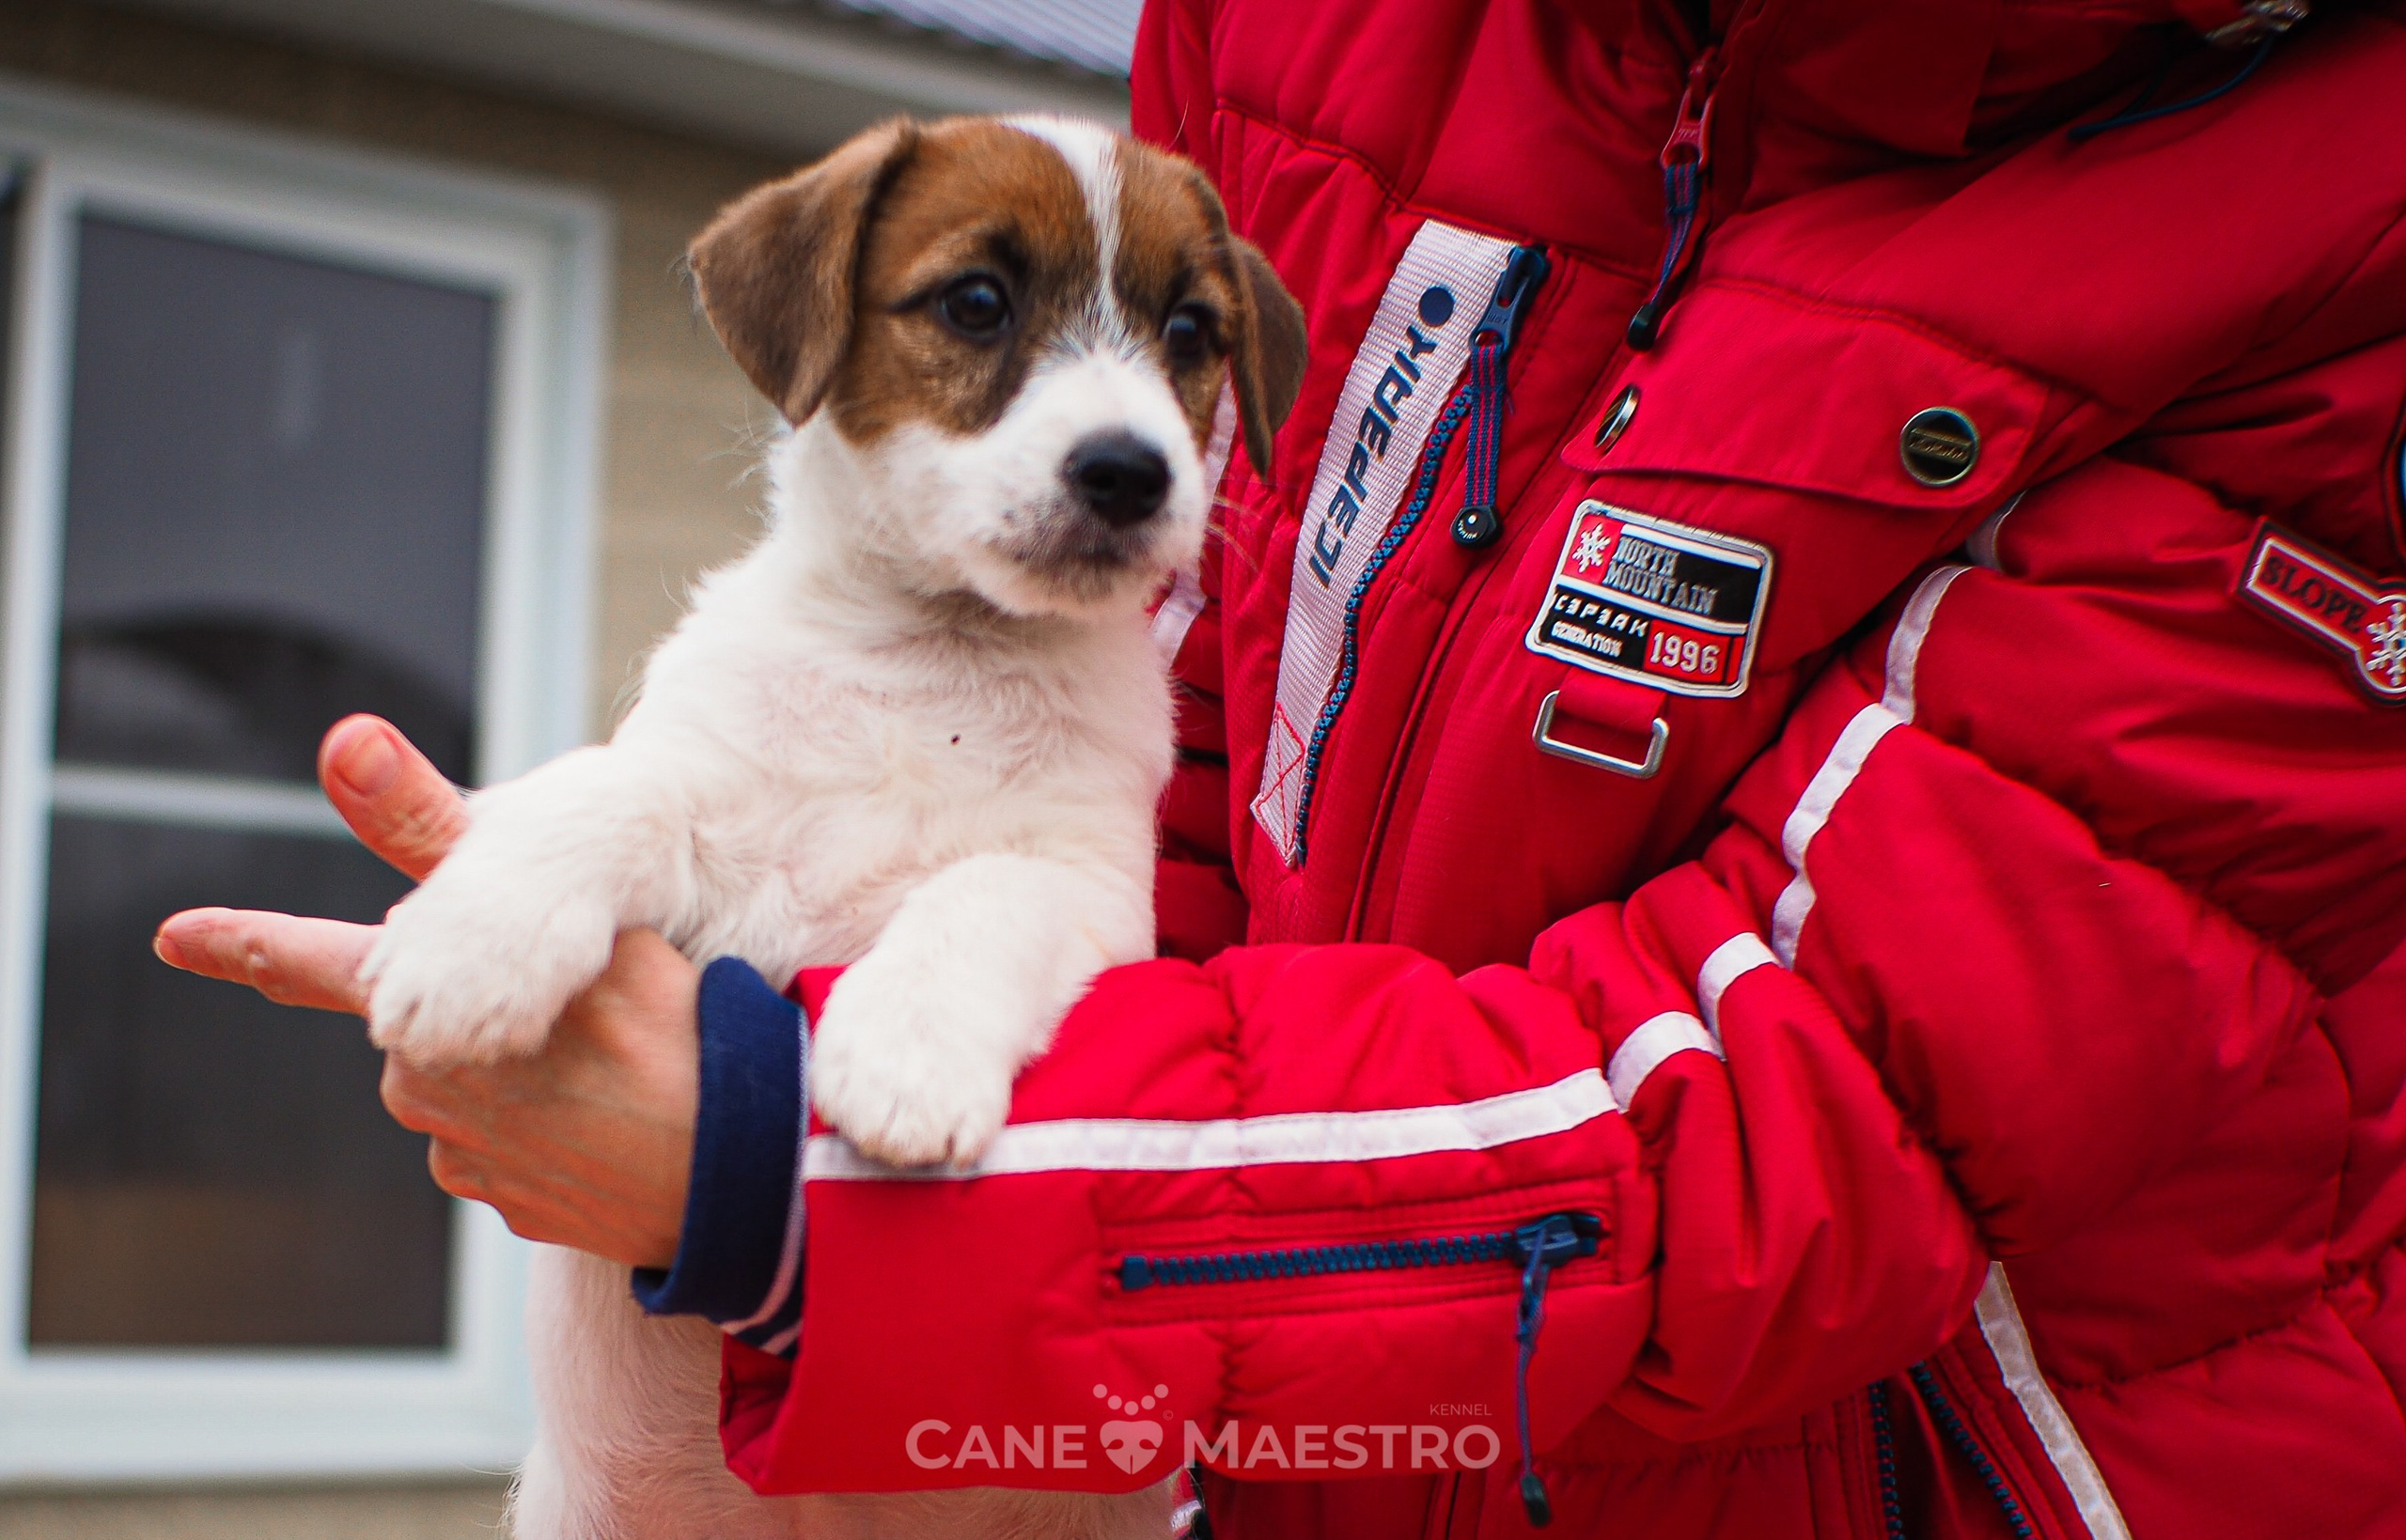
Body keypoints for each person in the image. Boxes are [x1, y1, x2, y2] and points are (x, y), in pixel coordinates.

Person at [161, 0, 2406, 1532]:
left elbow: (1818, 1109)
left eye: (1178, 348)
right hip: (1206, 1420)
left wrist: (766, 1144)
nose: (1125, 423)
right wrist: (578, 879)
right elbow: (1177, 809)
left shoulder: (2326, 208)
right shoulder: (1306, 38)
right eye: (979, 313)